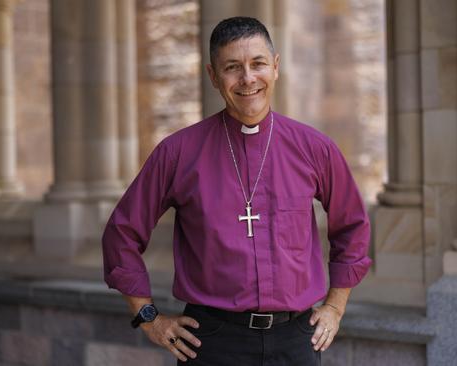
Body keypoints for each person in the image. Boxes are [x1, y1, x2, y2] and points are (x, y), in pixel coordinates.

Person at [101, 16, 372, 365]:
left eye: (258, 64)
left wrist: (335, 306)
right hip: (211, 341)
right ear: (213, 76)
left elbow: (352, 226)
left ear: (275, 67)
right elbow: (121, 233)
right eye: (232, 67)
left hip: (296, 340)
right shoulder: (178, 152)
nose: (248, 78)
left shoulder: (314, 148)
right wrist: (148, 317)